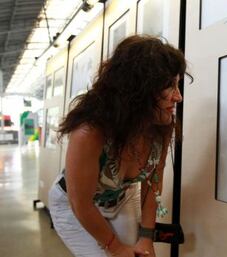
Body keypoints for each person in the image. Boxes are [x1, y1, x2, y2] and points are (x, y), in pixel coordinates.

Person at [48, 35, 189, 257]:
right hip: (72, 205)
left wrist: (146, 238)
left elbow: (153, 185)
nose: (178, 97)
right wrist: (115, 247)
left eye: (177, 84)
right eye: (169, 86)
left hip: (121, 198)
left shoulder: (162, 123)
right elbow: (81, 204)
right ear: (138, 88)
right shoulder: (90, 132)